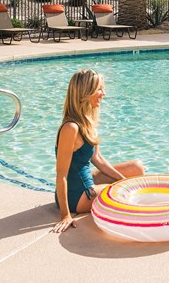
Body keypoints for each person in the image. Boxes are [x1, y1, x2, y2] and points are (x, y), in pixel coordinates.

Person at [52, 69, 145, 233]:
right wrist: (65, 215)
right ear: (85, 92)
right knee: (123, 194)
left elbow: (98, 158)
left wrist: (123, 179)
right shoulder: (71, 128)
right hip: (76, 195)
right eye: (99, 89)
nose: (104, 93)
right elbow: (61, 174)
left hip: (88, 181)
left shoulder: (87, 121)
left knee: (136, 168)